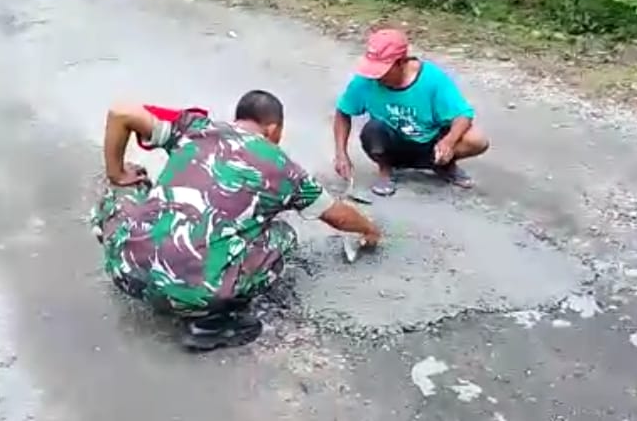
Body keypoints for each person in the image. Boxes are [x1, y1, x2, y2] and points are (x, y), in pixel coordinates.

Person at [89, 90, 382, 351]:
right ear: (273, 129)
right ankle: (212, 321)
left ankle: (124, 243)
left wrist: (117, 173)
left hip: (125, 273)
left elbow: (120, 112)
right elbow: (336, 215)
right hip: (192, 293)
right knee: (282, 235)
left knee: (129, 185)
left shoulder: (195, 128)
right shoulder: (285, 169)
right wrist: (369, 229)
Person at [333, 28, 490, 197]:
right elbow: (343, 112)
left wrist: (448, 142)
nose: (378, 76)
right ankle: (385, 170)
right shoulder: (366, 81)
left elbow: (463, 114)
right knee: (373, 130)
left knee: (476, 139)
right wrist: (341, 154)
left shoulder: (432, 77)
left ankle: (443, 164)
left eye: (383, 71)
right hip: (392, 143)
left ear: (401, 62)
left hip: (431, 142)